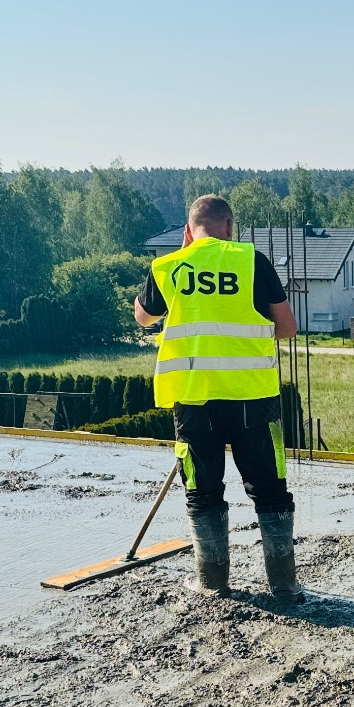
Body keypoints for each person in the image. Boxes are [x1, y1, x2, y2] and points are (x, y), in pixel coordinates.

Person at [136, 194, 303, 601]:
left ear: (188, 231)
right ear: (231, 227)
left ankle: (212, 582)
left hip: (194, 401)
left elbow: (143, 317)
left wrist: (183, 257)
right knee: (270, 488)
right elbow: (287, 328)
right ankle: (283, 584)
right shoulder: (252, 262)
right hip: (253, 398)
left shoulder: (168, 266)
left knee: (203, 490)